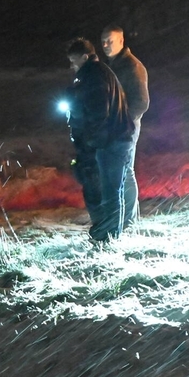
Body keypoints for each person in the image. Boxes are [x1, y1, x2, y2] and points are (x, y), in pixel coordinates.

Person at [64, 38, 134, 242]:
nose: (72, 65)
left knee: (111, 191)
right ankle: (107, 234)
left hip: (111, 141)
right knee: (108, 190)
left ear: (85, 57)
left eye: (74, 60)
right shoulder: (96, 73)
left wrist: (89, 143)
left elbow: (98, 113)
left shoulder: (94, 76)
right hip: (112, 139)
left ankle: (110, 238)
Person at [101, 25, 149, 227]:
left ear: (121, 41)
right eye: (103, 41)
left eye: (109, 41)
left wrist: (123, 122)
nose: (105, 45)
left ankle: (129, 222)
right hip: (117, 125)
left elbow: (141, 102)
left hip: (126, 126)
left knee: (125, 171)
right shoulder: (112, 65)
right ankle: (128, 219)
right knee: (122, 171)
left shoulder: (131, 66)